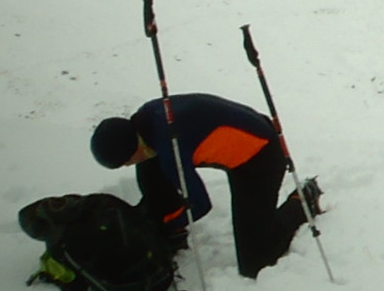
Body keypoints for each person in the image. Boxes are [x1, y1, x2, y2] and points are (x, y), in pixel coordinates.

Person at [90, 94, 315, 278]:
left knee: (255, 261)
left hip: (259, 156)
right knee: (150, 168)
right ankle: (165, 227)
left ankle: (303, 201)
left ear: (132, 148)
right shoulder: (146, 120)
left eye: (127, 161)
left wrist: (165, 225)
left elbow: (200, 205)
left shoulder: (171, 150)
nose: (129, 165)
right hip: (243, 129)